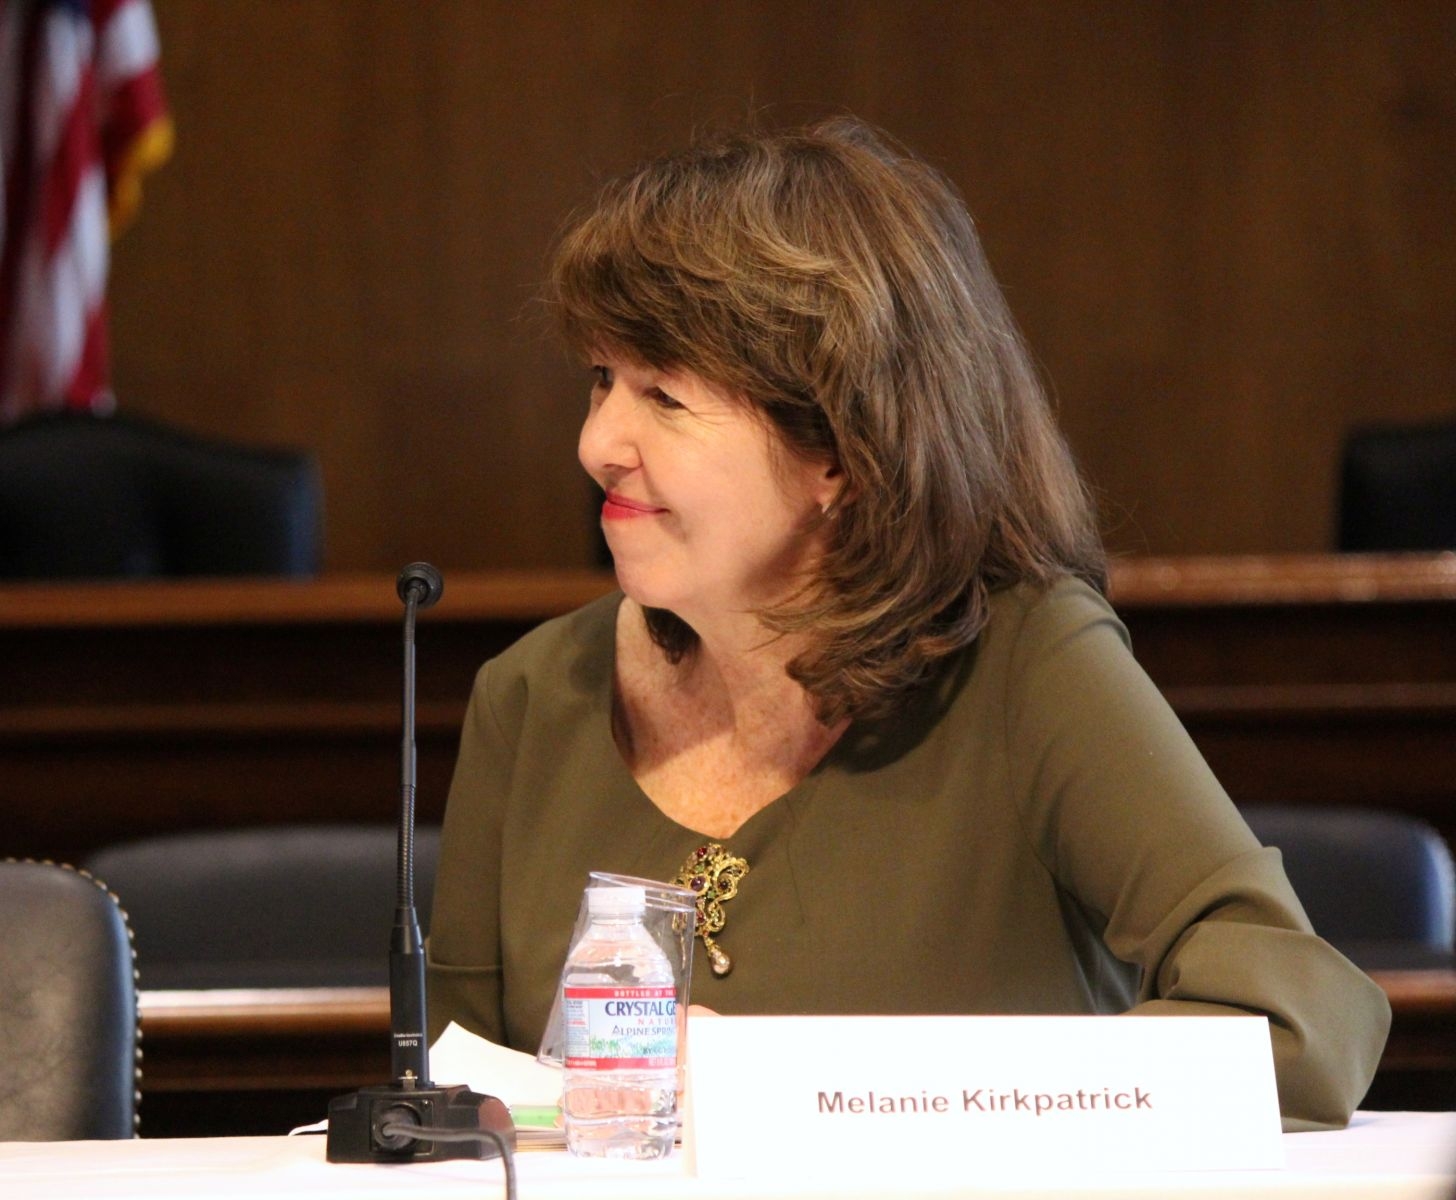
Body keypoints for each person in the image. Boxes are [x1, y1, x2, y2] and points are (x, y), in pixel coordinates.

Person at [426, 117, 1389, 1130]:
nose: (596, 444)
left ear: (840, 449)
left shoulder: (1026, 665)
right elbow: (457, 1114)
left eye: (662, 394)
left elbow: (1300, 1028)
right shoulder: (531, 694)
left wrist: (799, 1083)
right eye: (600, 379)